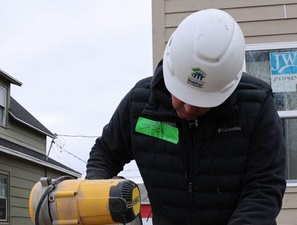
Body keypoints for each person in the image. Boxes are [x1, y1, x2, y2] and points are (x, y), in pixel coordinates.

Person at [86, 8, 286, 225]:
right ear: (171, 72)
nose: (189, 108)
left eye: (202, 101)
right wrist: (95, 196)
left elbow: (264, 187)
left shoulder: (254, 107)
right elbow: (105, 153)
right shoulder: (140, 104)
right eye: (182, 94)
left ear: (227, 87)